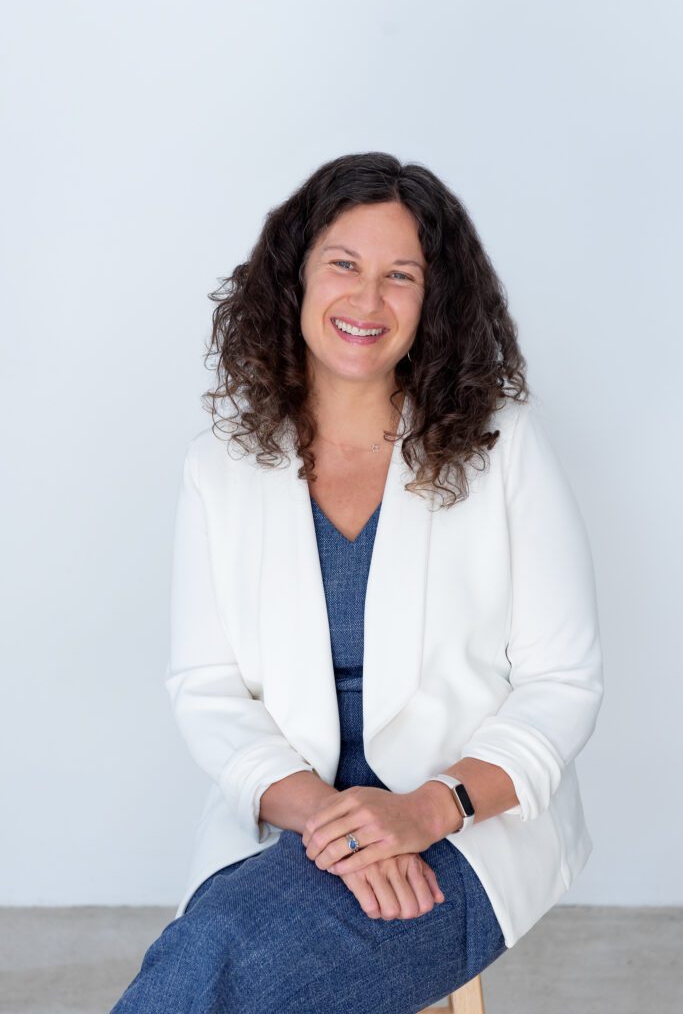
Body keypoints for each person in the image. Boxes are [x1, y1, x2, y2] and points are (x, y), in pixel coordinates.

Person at [110, 151, 604, 1013]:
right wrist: (331, 822)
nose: (366, 301)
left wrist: (422, 811)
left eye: (399, 276)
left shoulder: (504, 447)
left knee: (219, 963)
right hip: (294, 828)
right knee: (217, 944)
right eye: (343, 264)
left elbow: (561, 684)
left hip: (462, 832)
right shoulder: (219, 470)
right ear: (294, 275)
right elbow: (207, 687)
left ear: (434, 301)